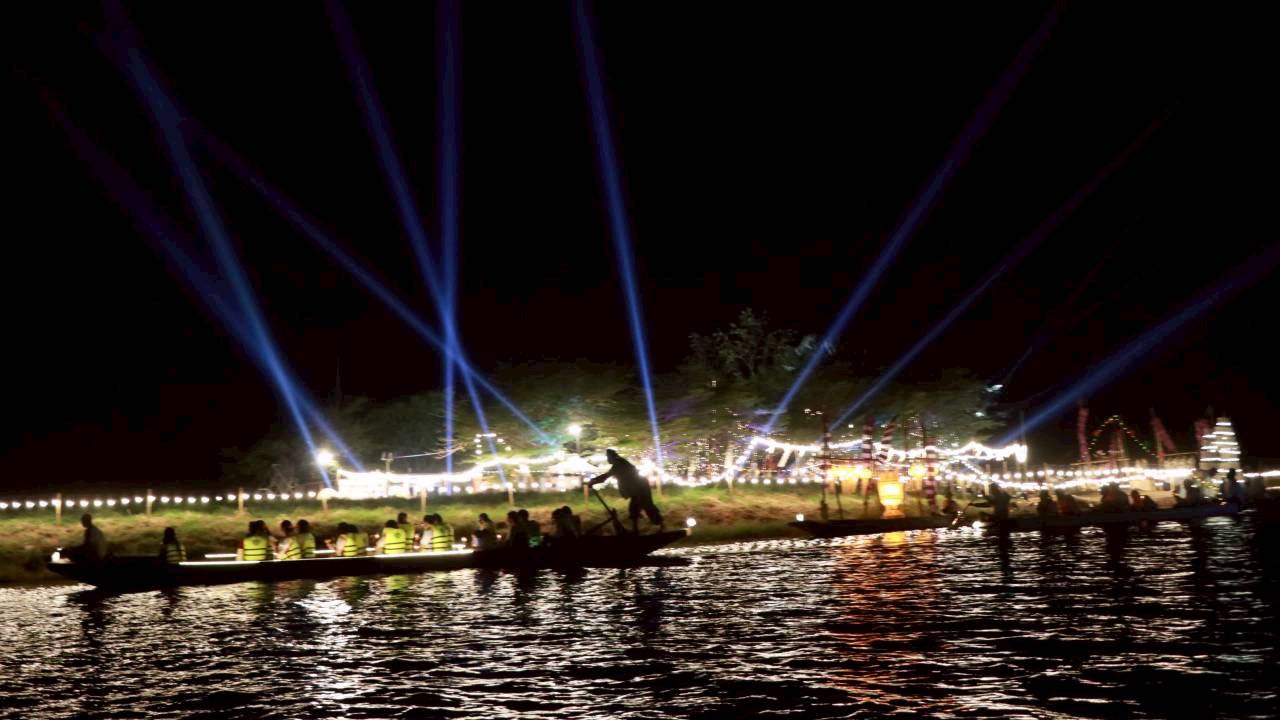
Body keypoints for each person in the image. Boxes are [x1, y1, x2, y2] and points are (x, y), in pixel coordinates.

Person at [588, 448, 664, 534]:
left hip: (640, 488)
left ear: (612, 457)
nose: (607, 459)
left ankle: (656, 527)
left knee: (643, 507)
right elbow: (606, 476)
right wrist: (594, 481)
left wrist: (593, 481)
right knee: (638, 508)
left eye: (608, 457)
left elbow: (606, 476)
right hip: (639, 488)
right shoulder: (619, 462)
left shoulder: (619, 463)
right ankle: (639, 530)